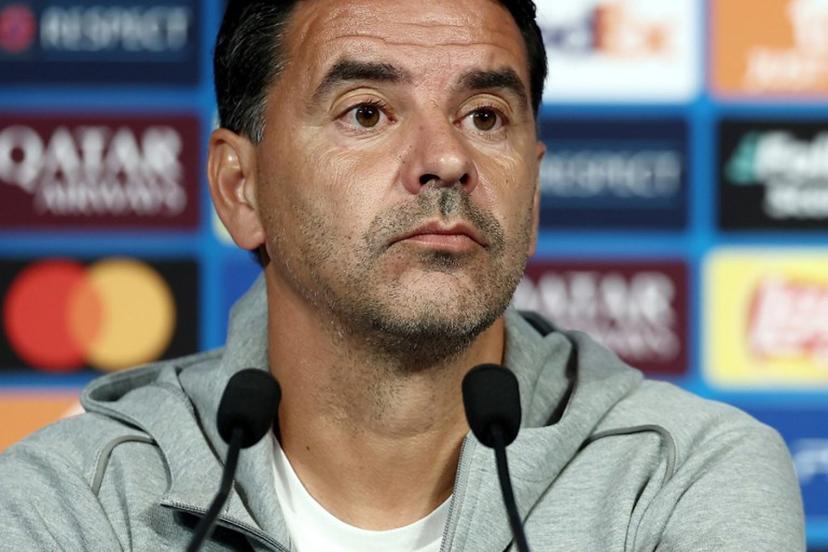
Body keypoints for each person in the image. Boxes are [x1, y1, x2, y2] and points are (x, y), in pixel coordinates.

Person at [0, 0, 805, 550]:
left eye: (485, 116)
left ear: (533, 179)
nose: (447, 159)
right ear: (240, 189)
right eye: (367, 112)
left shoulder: (682, 476)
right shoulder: (75, 498)